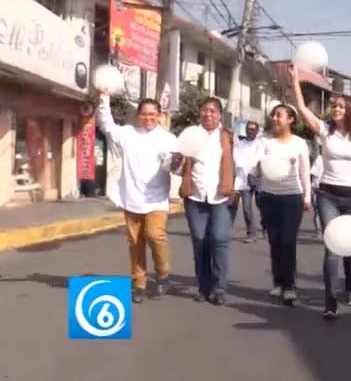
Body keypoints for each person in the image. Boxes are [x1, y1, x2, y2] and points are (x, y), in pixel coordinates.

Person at [289, 63, 351, 319]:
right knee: (332, 246)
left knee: (350, 248)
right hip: (327, 195)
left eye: (341, 106)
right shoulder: (325, 130)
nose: (336, 109)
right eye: (334, 106)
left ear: (350, 110)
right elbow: (302, 108)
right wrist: (296, 80)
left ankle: (350, 286)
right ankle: (330, 302)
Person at [96, 89, 177, 304]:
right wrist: (103, 97)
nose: (149, 118)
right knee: (135, 242)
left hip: (157, 199)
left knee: (155, 235)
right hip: (131, 198)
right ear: (138, 115)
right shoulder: (128, 134)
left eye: (153, 114)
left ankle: (162, 274)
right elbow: (106, 125)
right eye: (144, 114)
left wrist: (171, 163)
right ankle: (139, 284)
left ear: (159, 116)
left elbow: (176, 166)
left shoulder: (168, 139)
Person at [175, 97, 236, 306]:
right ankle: (203, 287)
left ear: (219, 115)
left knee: (219, 240)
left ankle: (219, 288)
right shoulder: (190, 134)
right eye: (204, 110)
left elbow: (240, 163)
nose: (207, 114)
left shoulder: (227, 137)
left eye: (212, 111)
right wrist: (174, 161)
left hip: (220, 197)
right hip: (195, 196)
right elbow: (177, 161)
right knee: (200, 241)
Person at [249, 103, 312, 306]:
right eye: (273, 115)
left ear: (291, 119)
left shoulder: (300, 143)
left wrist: (307, 197)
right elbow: (254, 168)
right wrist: (257, 166)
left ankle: (289, 286)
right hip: (268, 197)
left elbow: (305, 172)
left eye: (280, 115)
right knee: (275, 242)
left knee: (288, 242)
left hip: (292, 197)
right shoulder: (264, 143)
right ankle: (278, 281)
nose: (275, 119)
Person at [230, 121, 261, 243]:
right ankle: (251, 233)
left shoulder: (260, 144)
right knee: (246, 208)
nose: (250, 131)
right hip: (243, 181)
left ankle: (264, 227)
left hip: (258, 179)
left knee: (262, 206)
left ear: (257, 131)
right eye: (248, 129)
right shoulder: (241, 144)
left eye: (253, 129)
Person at [310, 152, 324, 240]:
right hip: (318, 188)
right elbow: (314, 174)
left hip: (328, 189)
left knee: (318, 212)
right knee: (318, 211)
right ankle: (319, 231)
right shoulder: (320, 158)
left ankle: (322, 231)